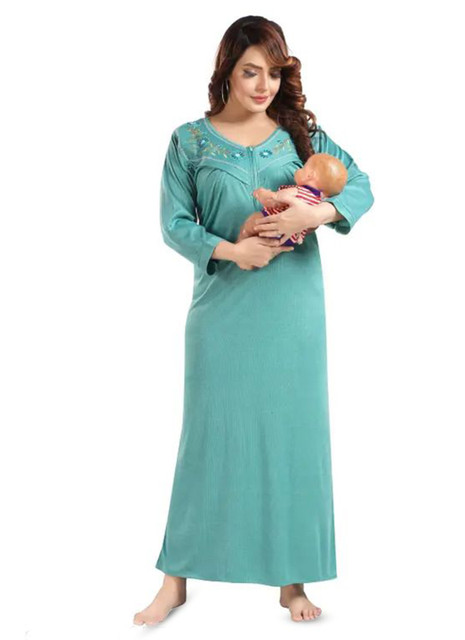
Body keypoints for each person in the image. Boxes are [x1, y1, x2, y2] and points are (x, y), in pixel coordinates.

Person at [133, 15, 374, 625]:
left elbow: (359, 185)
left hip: (293, 316)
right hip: (222, 314)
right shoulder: (190, 142)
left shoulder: (301, 138)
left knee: (293, 441)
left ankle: (293, 583)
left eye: (273, 72)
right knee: (207, 441)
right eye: (250, 72)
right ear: (227, 73)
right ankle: (175, 580)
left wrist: (315, 216)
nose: (263, 85)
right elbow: (174, 224)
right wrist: (233, 251)